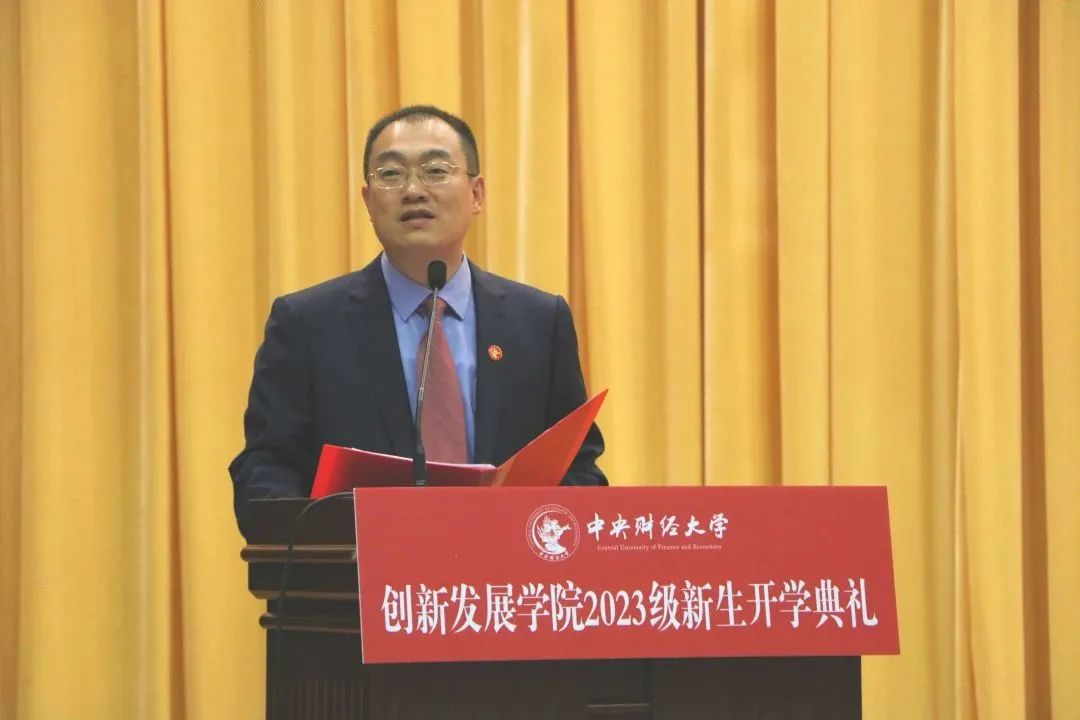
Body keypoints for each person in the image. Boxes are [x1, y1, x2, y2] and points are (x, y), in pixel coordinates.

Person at [229, 105, 606, 537]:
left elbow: (578, 466)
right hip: (359, 572)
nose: (413, 190)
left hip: (503, 572)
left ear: (476, 194)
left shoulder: (538, 323)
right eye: (391, 175)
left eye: (435, 171)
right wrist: (320, 538)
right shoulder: (307, 325)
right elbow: (267, 467)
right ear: (368, 202)